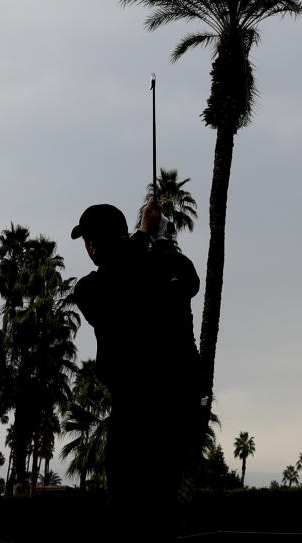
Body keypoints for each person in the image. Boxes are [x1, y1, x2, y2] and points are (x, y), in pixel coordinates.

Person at [71, 200, 201, 541]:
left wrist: (146, 237)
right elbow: (185, 278)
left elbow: (131, 275)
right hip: (175, 414)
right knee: (164, 511)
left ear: (95, 245)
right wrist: (156, 240)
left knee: (126, 512)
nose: (88, 249)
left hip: (134, 414)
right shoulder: (156, 269)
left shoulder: (93, 288)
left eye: (88, 242)